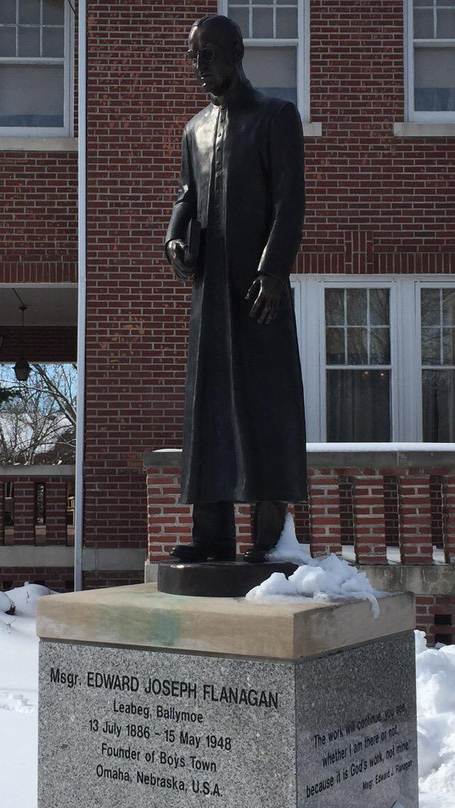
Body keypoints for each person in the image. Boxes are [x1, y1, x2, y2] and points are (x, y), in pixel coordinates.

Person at [164, 14, 307, 565]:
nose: (199, 67)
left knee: (263, 404)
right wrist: (175, 241)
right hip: (211, 291)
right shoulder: (194, 129)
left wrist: (273, 271)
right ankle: (212, 534)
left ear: (236, 52)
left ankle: (269, 539)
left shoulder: (275, 117)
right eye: (194, 57)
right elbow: (185, 197)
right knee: (209, 408)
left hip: (257, 292)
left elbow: (288, 202)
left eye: (207, 55)